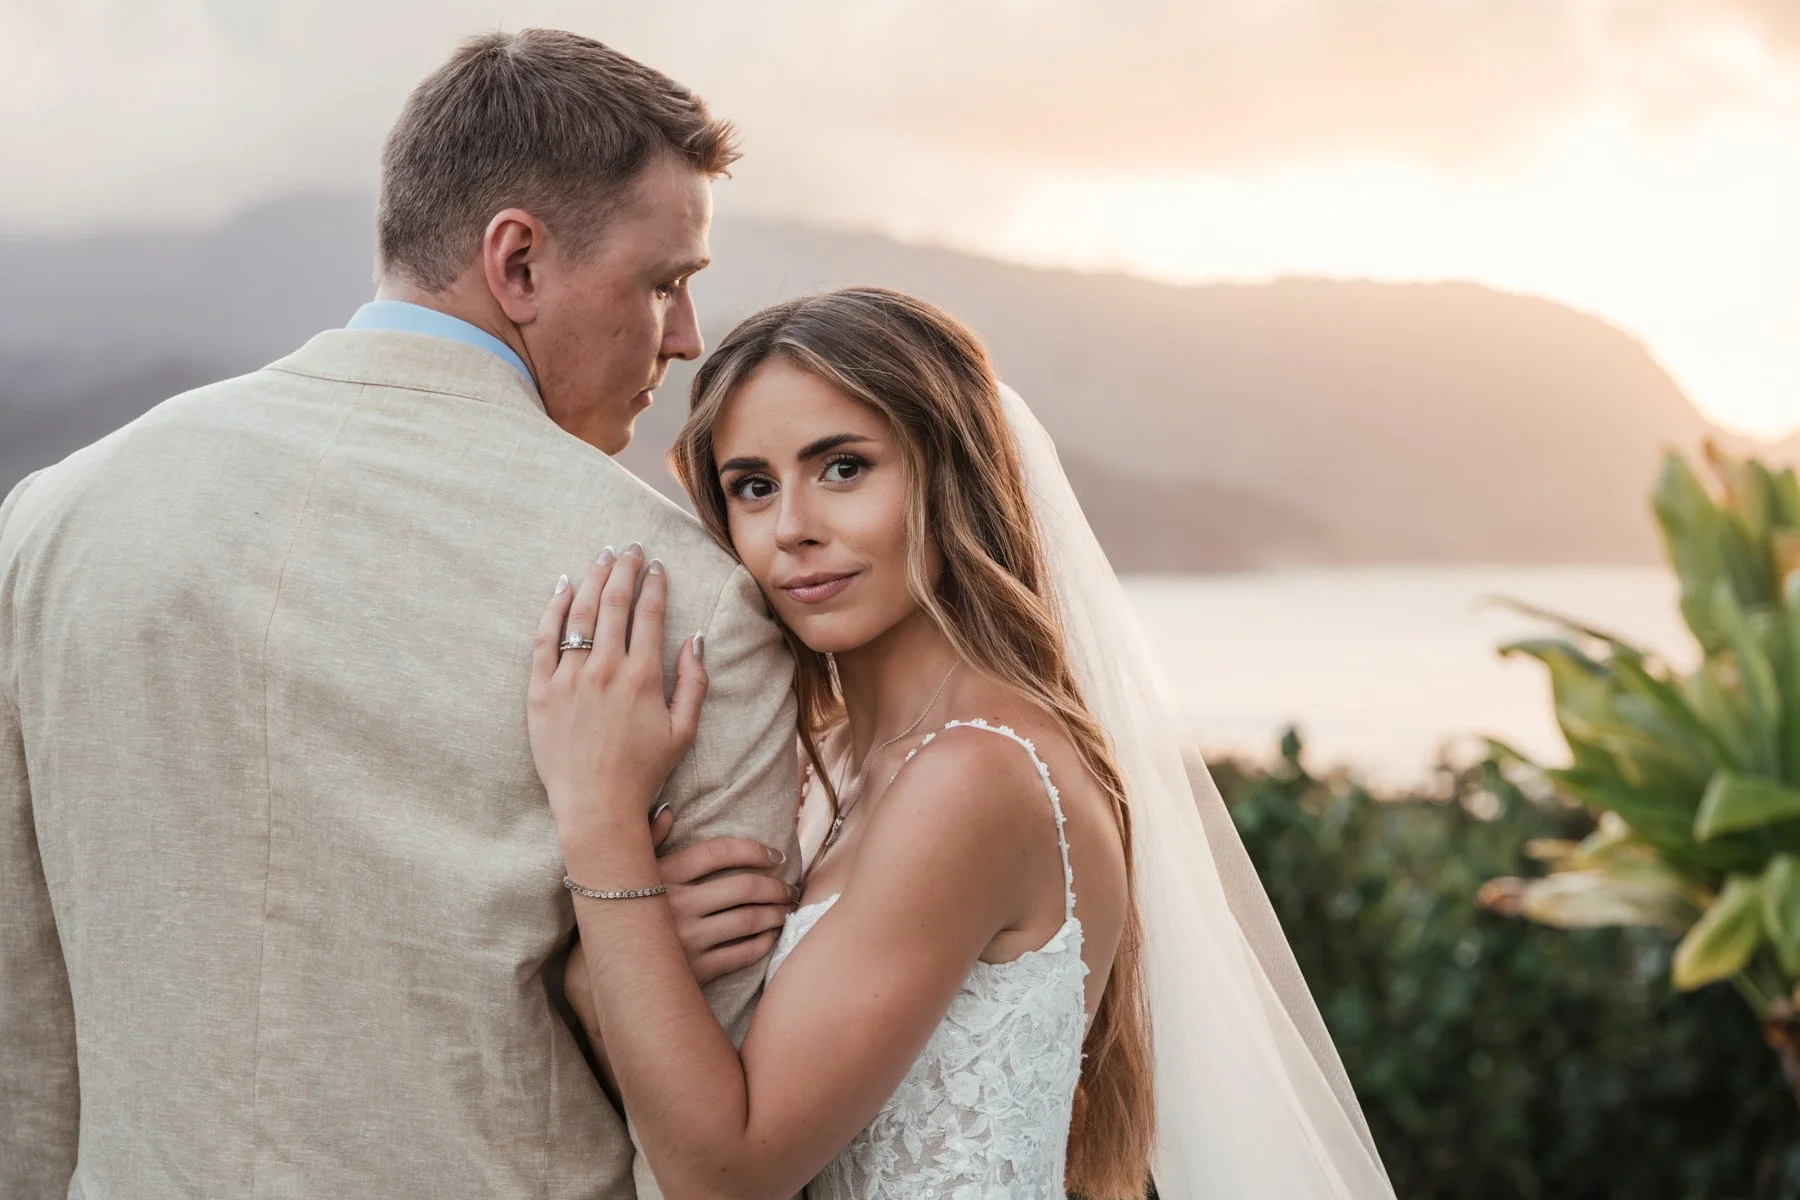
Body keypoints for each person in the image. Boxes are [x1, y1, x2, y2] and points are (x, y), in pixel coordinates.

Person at [0, 30, 798, 1200]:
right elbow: (710, 1129)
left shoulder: (53, 519)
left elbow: (22, 1020)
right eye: (666, 282)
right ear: (517, 261)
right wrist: (606, 970)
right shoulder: (679, 597)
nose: (685, 337)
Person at [535, 287, 1400, 1198]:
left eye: (843, 469)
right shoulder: (828, 767)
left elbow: (730, 1176)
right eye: (754, 485)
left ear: (951, 475)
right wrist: (606, 986)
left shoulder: (978, 776)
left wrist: (598, 821)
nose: (792, 526)